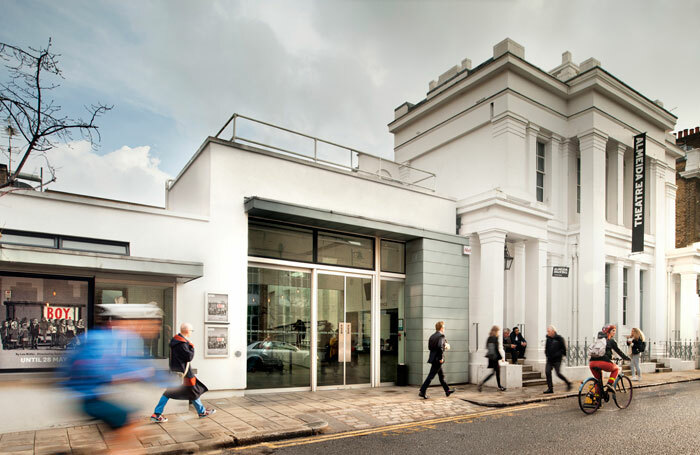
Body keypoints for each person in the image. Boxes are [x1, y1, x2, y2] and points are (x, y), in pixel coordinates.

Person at [59, 304, 163, 453]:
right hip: (88, 399)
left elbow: (122, 364)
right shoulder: (100, 340)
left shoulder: (108, 338)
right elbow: (99, 371)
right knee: (129, 427)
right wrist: (138, 375)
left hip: (94, 396)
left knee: (130, 428)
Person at [151, 323, 216, 422]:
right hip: (183, 373)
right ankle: (156, 414)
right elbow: (189, 357)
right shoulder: (182, 343)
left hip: (177, 372)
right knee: (191, 391)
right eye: (191, 331)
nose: (191, 333)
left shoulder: (176, 341)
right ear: (187, 331)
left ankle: (201, 412)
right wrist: (192, 347)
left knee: (188, 391)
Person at [589, 324, 630, 398]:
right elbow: (619, 351)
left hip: (592, 363)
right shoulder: (611, 341)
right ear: (609, 332)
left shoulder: (598, 341)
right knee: (616, 369)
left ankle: (597, 399)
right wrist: (626, 358)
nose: (614, 332)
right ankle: (610, 384)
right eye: (613, 331)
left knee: (598, 381)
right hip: (603, 362)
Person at [418, 321, 455, 399]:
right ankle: (422, 391)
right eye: (444, 327)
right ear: (441, 328)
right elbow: (440, 347)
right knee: (431, 376)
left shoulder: (432, 336)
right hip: (438, 359)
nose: (444, 329)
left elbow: (430, 347)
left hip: (433, 358)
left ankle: (447, 391)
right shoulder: (441, 336)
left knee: (441, 376)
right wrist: (441, 357)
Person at [543, 325, 571, 394]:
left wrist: (559, 355)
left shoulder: (559, 338)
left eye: (549, 331)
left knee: (558, 373)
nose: (548, 332)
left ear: (553, 331)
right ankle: (550, 388)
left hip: (557, 360)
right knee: (547, 372)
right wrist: (547, 354)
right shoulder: (548, 339)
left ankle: (568, 383)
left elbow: (563, 349)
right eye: (547, 331)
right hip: (549, 359)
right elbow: (546, 348)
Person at [478, 325, 506, 392]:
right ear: (496, 331)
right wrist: (501, 357)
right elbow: (496, 349)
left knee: (495, 372)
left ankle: (499, 386)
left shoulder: (489, 338)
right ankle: (483, 383)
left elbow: (487, 347)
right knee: (495, 372)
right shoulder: (495, 338)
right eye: (498, 331)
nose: (498, 332)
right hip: (495, 357)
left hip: (490, 357)